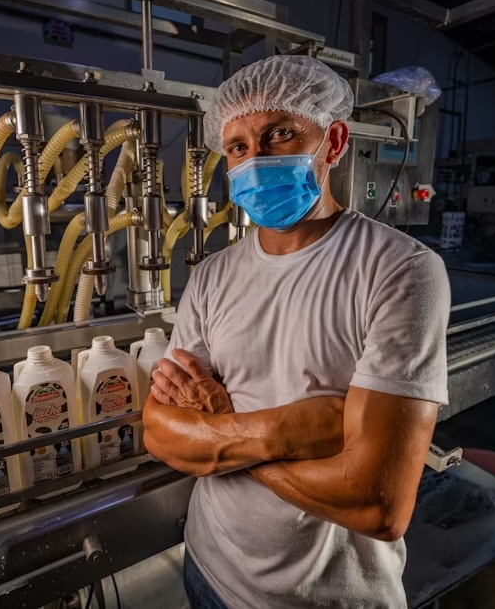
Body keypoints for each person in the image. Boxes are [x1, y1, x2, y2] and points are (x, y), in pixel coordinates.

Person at [142, 55, 450, 609]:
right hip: (209, 568)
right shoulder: (212, 275)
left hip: (325, 599)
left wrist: (221, 431)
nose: (254, 160)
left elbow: (379, 504)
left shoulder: (400, 269)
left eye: (279, 135)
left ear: (331, 142)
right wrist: (298, 430)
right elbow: (161, 430)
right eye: (238, 147)